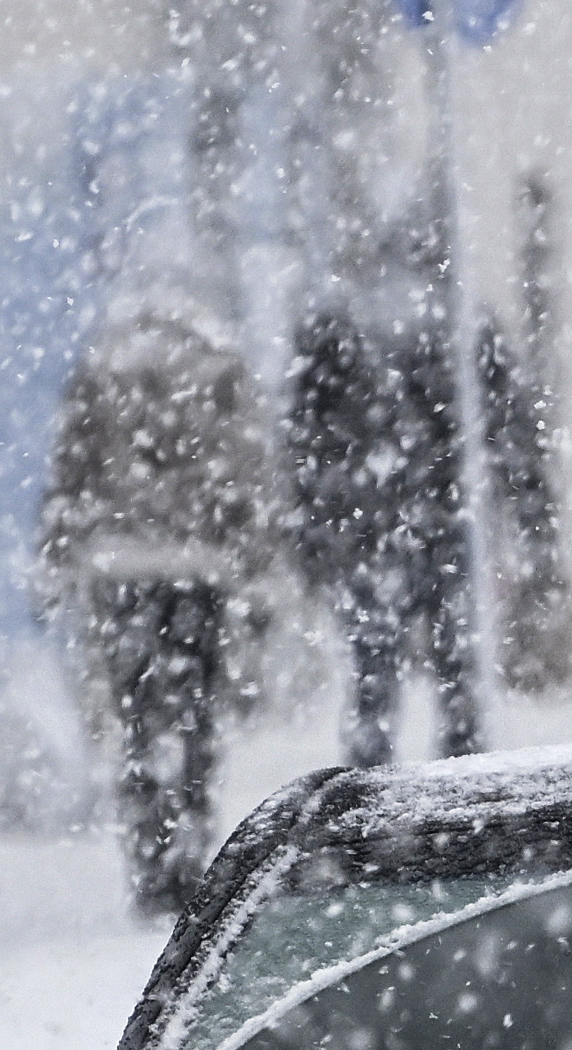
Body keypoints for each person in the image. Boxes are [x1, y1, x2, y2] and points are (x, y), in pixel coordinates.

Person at [38, 276, 280, 916]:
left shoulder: (103, 367)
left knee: (137, 718)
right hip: (199, 569)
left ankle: (149, 856)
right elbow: (247, 468)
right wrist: (254, 558)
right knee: (196, 715)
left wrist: (57, 553)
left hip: (120, 569)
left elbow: (71, 469)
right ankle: (190, 847)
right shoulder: (220, 365)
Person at [288, 287, 483, 767]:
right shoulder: (426, 349)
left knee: (378, 673)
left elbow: (306, 476)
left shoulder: (324, 383)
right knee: (448, 668)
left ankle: (374, 774)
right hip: (420, 535)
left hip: (371, 544)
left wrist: (318, 545)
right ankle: (462, 764)